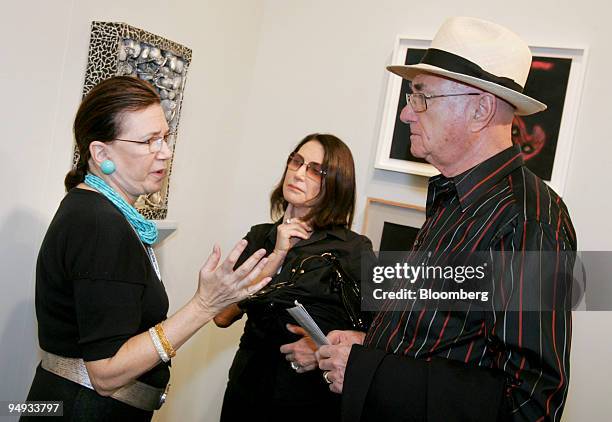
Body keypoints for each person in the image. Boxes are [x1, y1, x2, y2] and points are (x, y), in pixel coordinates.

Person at [316, 17, 576, 422]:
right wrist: (372, 347)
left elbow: (528, 405)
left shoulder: (528, 222)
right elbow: (444, 342)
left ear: (480, 109)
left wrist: (369, 371)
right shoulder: (449, 200)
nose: (406, 113)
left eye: (421, 97)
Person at [23, 76, 270, 421]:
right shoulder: (100, 224)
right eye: (149, 141)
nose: (165, 153)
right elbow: (107, 373)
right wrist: (204, 305)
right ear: (101, 153)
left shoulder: (94, 210)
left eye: (165, 138)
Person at [214, 134, 376, 422]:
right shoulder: (260, 236)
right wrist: (275, 257)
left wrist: (323, 348)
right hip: (246, 388)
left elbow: (382, 332)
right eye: (297, 161)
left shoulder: (353, 248)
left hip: (307, 399)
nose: (299, 173)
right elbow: (222, 315)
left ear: (336, 182)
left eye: (315, 169)